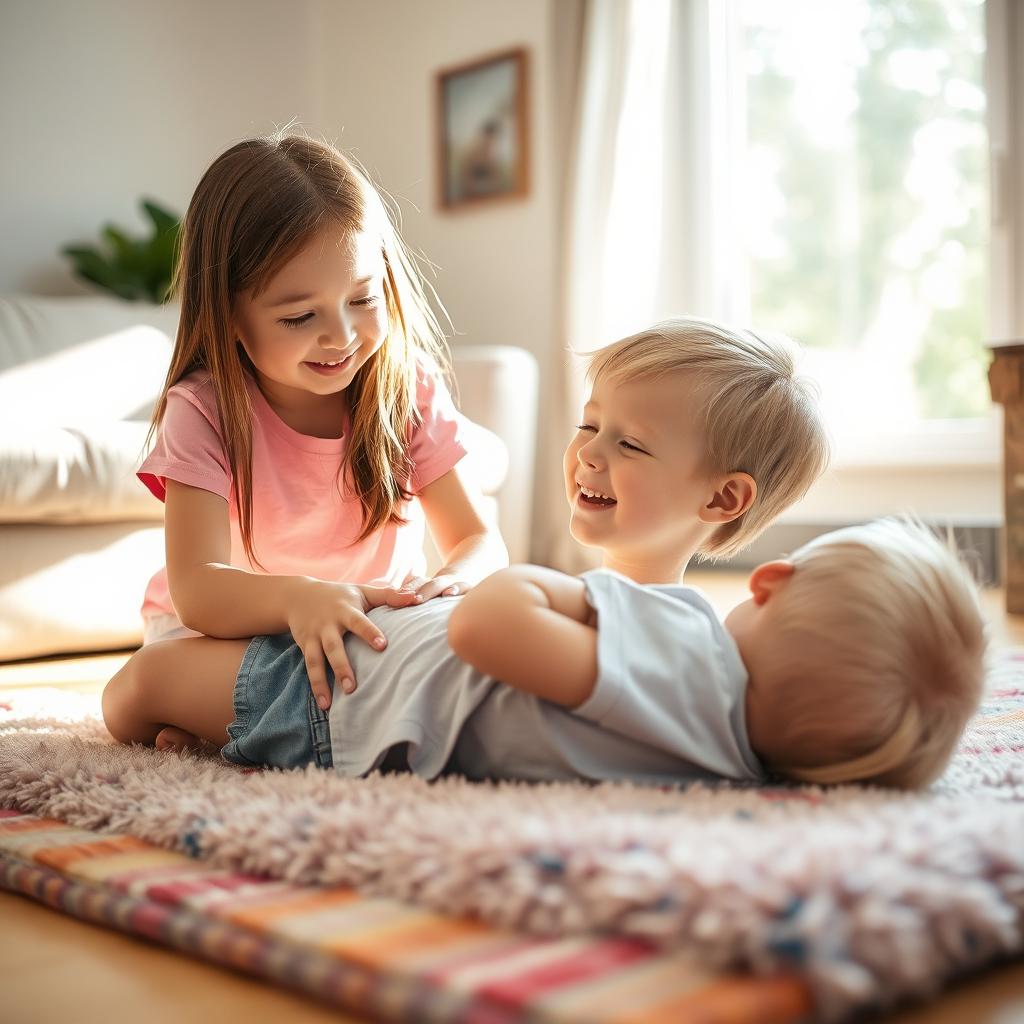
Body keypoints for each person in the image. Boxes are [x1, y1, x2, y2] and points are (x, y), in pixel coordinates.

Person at [105, 316, 850, 782]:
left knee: (142, 685)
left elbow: (489, 625)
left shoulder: (674, 664)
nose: (588, 454)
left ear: (724, 499)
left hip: (343, 693)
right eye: (590, 424)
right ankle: (214, 727)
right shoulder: (691, 690)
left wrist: (487, 589)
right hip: (367, 658)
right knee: (171, 678)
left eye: (629, 443)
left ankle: (214, 725)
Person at [127, 132, 508, 751]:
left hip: (364, 628)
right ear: (227, 316)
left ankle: (233, 727)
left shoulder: (405, 387)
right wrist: (300, 600)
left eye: (362, 298)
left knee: (448, 663)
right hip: (226, 635)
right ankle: (222, 713)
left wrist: (453, 583)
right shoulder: (204, 409)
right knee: (142, 691)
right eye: (300, 317)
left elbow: (479, 540)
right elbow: (196, 589)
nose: (341, 336)